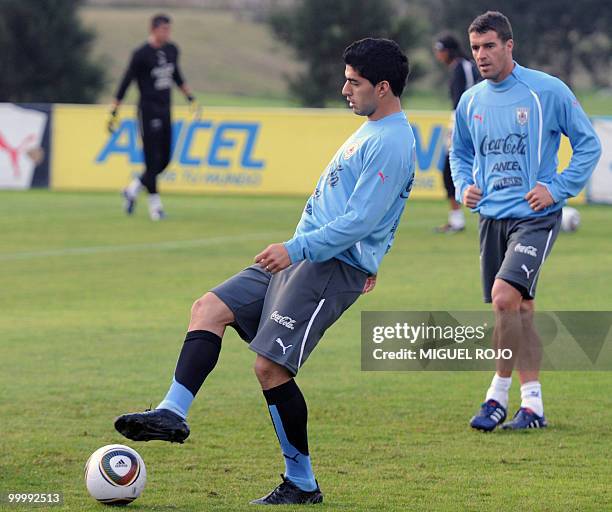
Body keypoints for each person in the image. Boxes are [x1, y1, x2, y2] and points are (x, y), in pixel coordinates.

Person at [113, 38, 415, 504]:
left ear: (383, 86)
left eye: (353, 82)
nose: (344, 89)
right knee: (209, 308)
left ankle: (301, 482)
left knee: (270, 368)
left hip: (329, 265)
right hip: (307, 256)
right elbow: (374, 214)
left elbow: (362, 220)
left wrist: (303, 249)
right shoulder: (372, 129)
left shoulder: (393, 141)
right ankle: (173, 411)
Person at [450, 11, 601, 431]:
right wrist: (465, 185)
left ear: (509, 45)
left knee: (503, 298)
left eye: (489, 46)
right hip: (491, 219)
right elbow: (459, 153)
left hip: (535, 217)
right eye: (476, 47)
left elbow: (588, 145)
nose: (481, 55)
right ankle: (532, 406)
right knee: (522, 310)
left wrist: (556, 188)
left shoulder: (546, 91)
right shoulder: (471, 100)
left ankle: (495, 397)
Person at [108, 13, 196, 221]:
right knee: (151, 158)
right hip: (148, 111)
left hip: (166, 110)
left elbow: (176, 75)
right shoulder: (141, 54)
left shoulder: (172, 50)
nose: (167, 33)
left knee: (164, 160)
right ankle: (155, 206)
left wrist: (190, 97)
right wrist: (114, 108)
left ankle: (133, 187)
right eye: (164, 29)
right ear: (153, 29)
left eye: (169, 29)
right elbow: (126, 81)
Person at [433, 33, 480, 233]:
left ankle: (460, 219)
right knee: (450, 170)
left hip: (469, 124)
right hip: (460, 123)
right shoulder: (458, 68)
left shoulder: (465, 66)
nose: (439, 55)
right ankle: (457, 219)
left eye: (441, 50)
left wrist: (465, 126)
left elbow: (470, 97)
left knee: (450, 169)